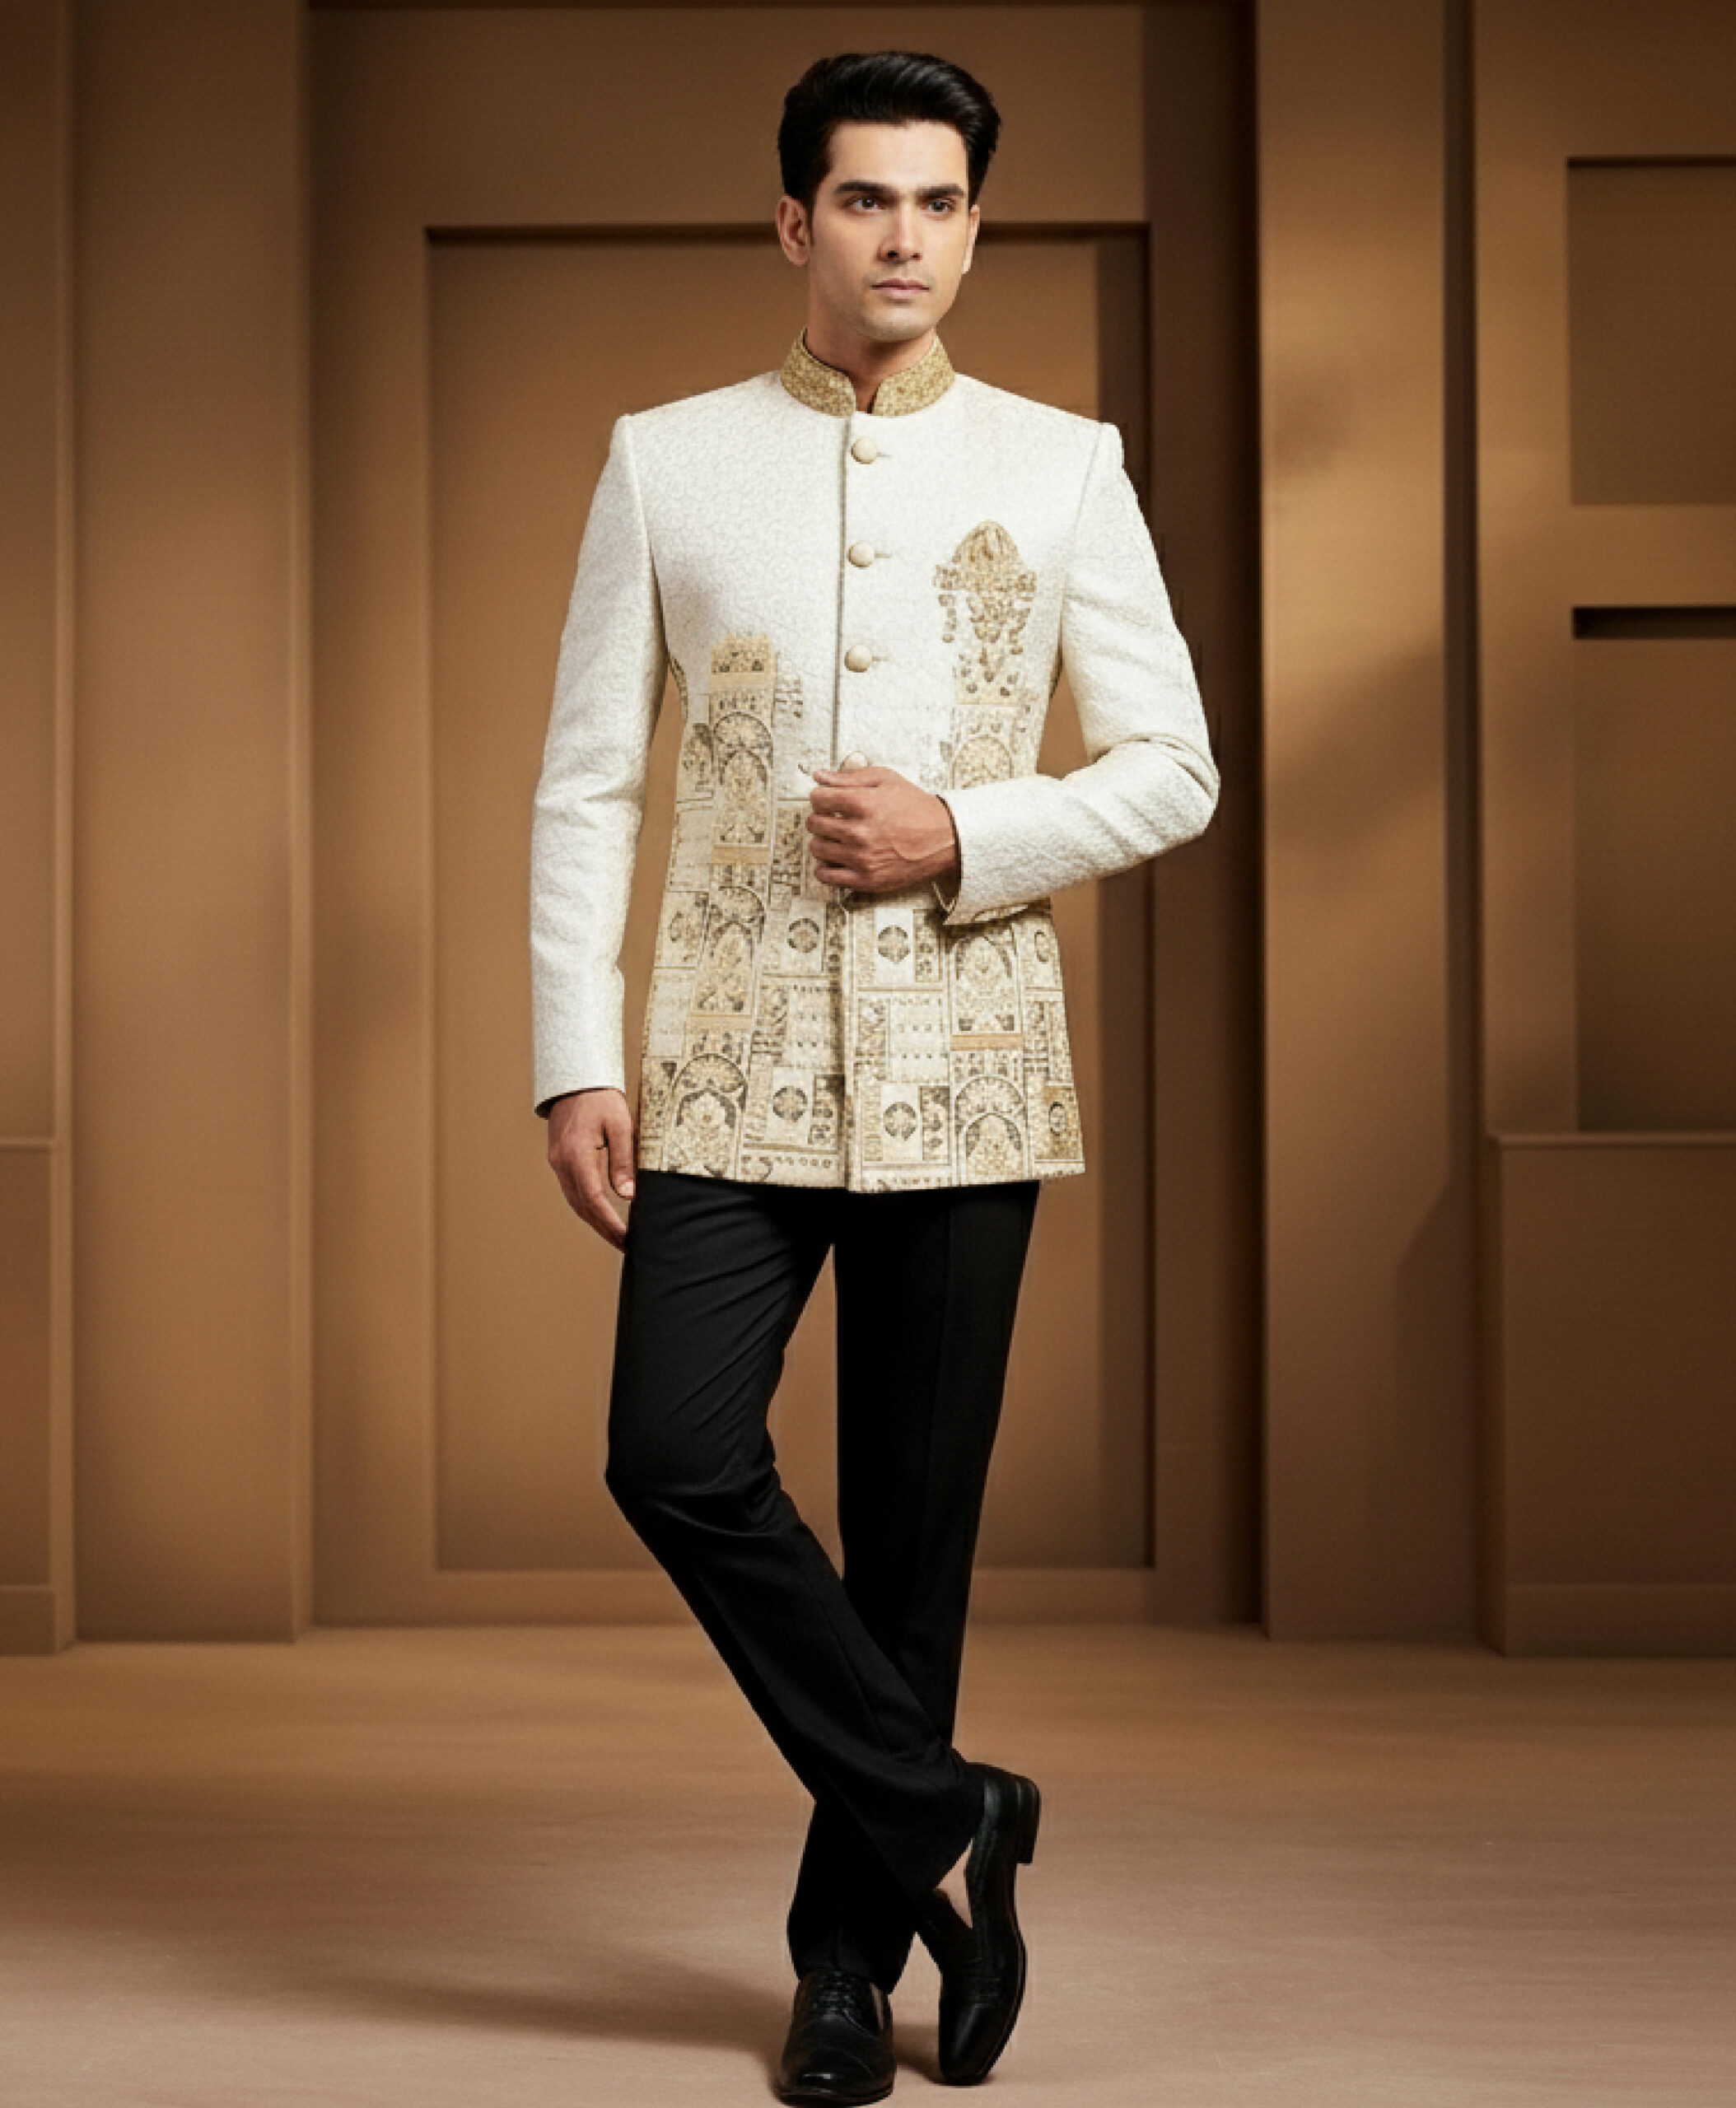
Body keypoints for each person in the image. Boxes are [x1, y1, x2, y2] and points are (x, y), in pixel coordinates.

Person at [530, 48, 1218, 2105]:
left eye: (937, 202)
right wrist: (574, 1053)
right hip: (722, 1057)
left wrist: (964, 832)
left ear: (972, 229)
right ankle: (953, 1811)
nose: (901, 236)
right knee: (674, 1451)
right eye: (863, 198)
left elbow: (1174, 768)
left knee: (915, 1543)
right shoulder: (666, 459)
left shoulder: (1063, 463)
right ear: (793, 222)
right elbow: (588, 781)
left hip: (966, 1062)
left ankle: (844, 1969)